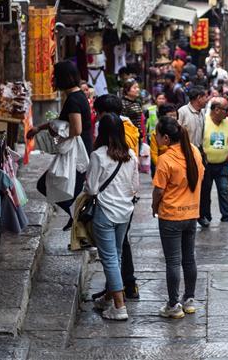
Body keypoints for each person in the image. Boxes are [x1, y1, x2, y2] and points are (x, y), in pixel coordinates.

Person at [26, 61, 92, 229]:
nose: (52, 81)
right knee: (66, 188)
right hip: (77, 150)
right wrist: (39, 128)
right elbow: (63, 123)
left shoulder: (73, 100)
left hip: (77, 153)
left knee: (49, 185)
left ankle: (79, 219)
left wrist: (57, 134)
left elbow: (76, 129)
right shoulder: (76, 96)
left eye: (55, 77)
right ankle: (77, 220)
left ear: (64, 78)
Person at [87, 113, 139, 321]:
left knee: (109, 258)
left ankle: (119, 306)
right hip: (125, 212)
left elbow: (91, 188)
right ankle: (108, 299)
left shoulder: (98, 155)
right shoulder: (131, 155)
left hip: (105, 212)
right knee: (115, 256)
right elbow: (135, 187)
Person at [152, 116, 203, 319]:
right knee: (188, 258)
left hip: (171, 216)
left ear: (165, 138)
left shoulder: (165, 160)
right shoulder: (194, 151)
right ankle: (189, 299)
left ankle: (174, 305)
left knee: (173, 261)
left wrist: (154, 206)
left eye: (156, 134)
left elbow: (158, 190)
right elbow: (201, 175)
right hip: (192, 214)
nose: (154, 137)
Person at [199, 96, 228, 226]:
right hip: (206, 164)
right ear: (217, 110)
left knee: (223, 189)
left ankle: (227, 215)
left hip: (222, 163)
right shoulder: (204, 121)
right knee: (205, 191)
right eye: (227, 109)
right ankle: (205, 216)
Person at [149, 103, 178, 174]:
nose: (174, 118)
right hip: (162, 167)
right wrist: (161, 165)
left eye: (175, 115)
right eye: (171, 116)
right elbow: (154, 153)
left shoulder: (179, 130)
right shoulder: (155, 134)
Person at [177, 87, 207, 153]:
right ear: (199, 98)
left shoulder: (203, 112)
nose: (206, 100)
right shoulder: (182, 112)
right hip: (185, 152)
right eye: (205, 97)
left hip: (198, 151)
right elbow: (176, 134)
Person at [120, 79, 144, 146]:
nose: (137, 89)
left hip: (137, 133)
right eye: (134, 88)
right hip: (127, 135)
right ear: (127, 90)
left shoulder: (138, 102)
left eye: (138, 87)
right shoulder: (122, 103)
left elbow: (139, 120)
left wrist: (141, 133)